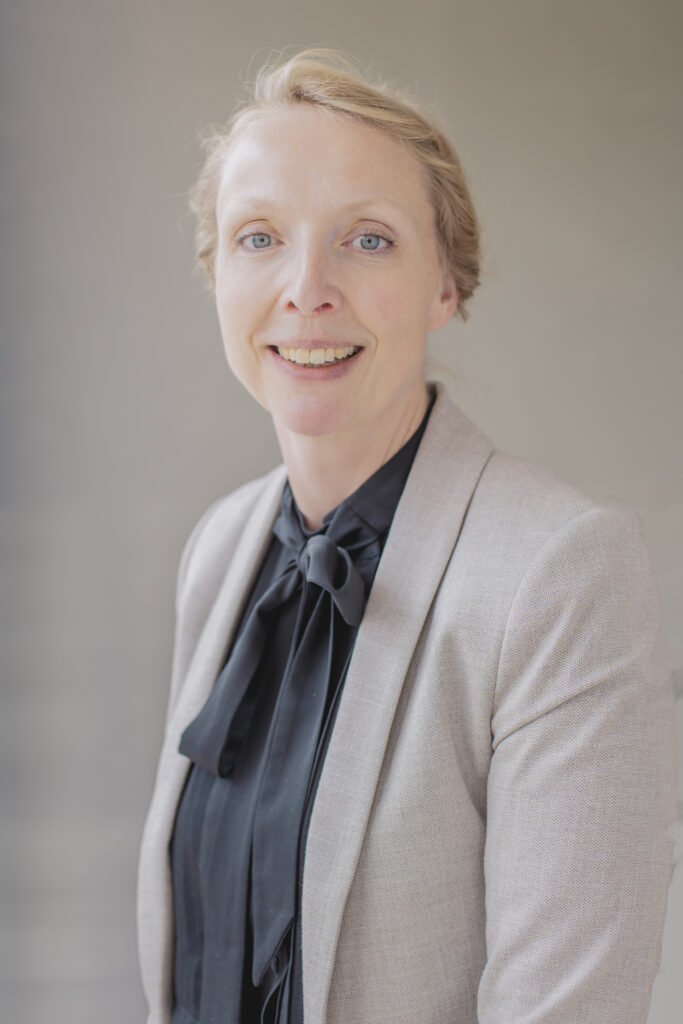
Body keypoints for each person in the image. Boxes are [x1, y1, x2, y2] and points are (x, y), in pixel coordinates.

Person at [137, 48, 677, 1024]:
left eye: (368, 240)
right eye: (259, 237)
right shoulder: (218, 549)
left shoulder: (559, 575)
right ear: (216, 276)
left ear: (446, 286)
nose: (306, 289)